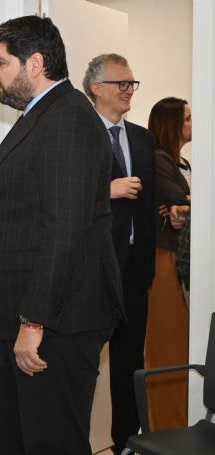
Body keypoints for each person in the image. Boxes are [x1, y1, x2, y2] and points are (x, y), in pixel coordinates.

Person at [0, 16, 125, 455]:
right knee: (6, 438)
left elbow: (65, 229)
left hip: (55, 323)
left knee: (50, 444)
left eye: (1, 62)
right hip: (26, 319)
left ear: (35, 64)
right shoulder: (40, 116)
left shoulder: (68, 119)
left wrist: (34, 322)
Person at [82, 53, 156, 455]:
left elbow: (147, 204)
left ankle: (127, 443)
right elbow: (60, 198)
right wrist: (105, 191)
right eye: (121, 83)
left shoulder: (143, 138)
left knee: (130, 365)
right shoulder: (77, 135)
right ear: (96, 88)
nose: (129, 90)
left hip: (134, 272)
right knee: (82, 364)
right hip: (90, 271)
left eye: (132, 83)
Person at [145, 96, 192, 432]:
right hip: (163, 261)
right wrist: (184, 204)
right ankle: (165, 430)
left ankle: (178, 425)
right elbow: (180, 201)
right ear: (172, 123)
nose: (192, 124)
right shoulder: (159, 158)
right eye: (187, 118)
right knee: (167, 348)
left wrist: (185, 205)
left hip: (178, 259)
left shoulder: (180, 163)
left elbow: (184, 204)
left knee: (181, 347)